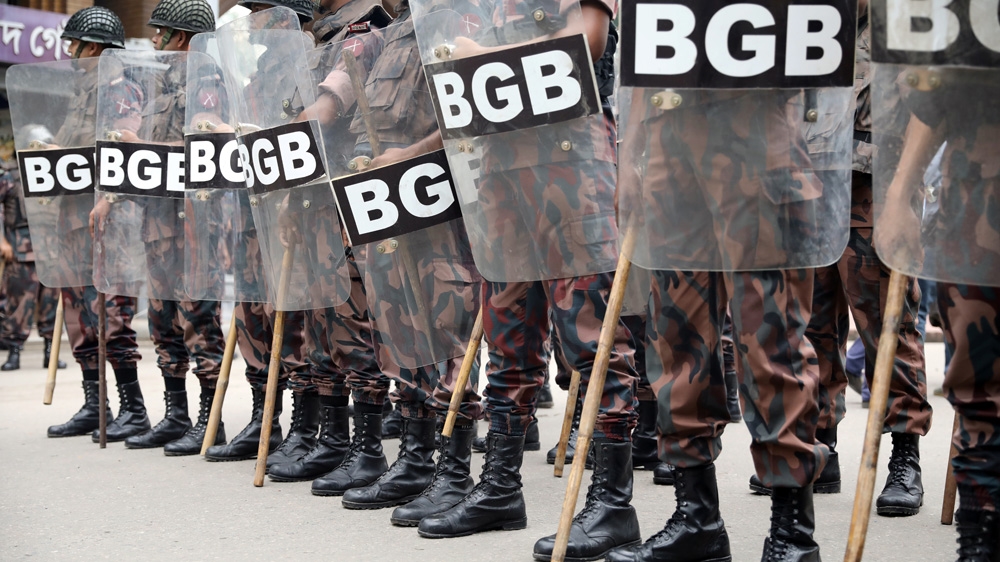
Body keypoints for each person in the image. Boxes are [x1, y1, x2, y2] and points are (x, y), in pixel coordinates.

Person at [408, 3, 641, 560]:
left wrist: (483, 57)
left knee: (595, 340)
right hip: (501, 171)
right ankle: (499, 487)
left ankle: (613, 503)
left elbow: (586, 43)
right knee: (506, 336)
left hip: (570, 167)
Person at [756, 1, 932, 516]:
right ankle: (820, 443)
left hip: (876, 177)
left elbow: (929, 98)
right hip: (809, 169)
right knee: (810, 319)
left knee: (886, 320)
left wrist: (905, 190)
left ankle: (904, 452)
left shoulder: (902, 17)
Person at [264, 0, 396, 484]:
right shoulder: (324, 38)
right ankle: (333, 439)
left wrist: (276, 146)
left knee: (351, 323)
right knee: (321, 327)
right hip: (317, 198)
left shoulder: (364, 32)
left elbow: (324, 110)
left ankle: (367, 449)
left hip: (349, 198)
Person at [114, 0, 229, 458]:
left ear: (181, 38)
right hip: (158, 225)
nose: (155, 40)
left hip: (193, 224)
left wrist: (141, 147)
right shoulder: (161, 86)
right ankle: (176, 415)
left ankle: (210, 421)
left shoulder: (205, 81)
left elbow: (204, 147)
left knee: (198, 319)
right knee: (163, 321)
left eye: (161, 33)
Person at [204, 0, 316, 465]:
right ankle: (262, 418)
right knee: (253, 316)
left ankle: (307, 426)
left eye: (261, 11)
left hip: (294, 213)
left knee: (297, 321)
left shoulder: (307, 63)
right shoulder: (255, 76)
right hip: (252, 212)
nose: (252, 23)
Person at [45, 6, 146, 443]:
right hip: (71, 220)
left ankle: (133, 409)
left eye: (76, 44)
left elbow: (127, 151)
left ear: (95, 48)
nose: (70, 51)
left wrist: (109, 197)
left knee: (111, 314)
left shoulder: (121, 92)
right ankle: (95, 405)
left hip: (110, 221)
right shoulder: (81, 94)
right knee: (79, 316)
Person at [0, 158, 65, 372]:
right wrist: (2, 241)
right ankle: (14, 352)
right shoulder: (11, 176)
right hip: (21, 249)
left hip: (52, 249)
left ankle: (51, 353)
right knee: (18, 304)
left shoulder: (57, 171)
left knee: (51, 303)